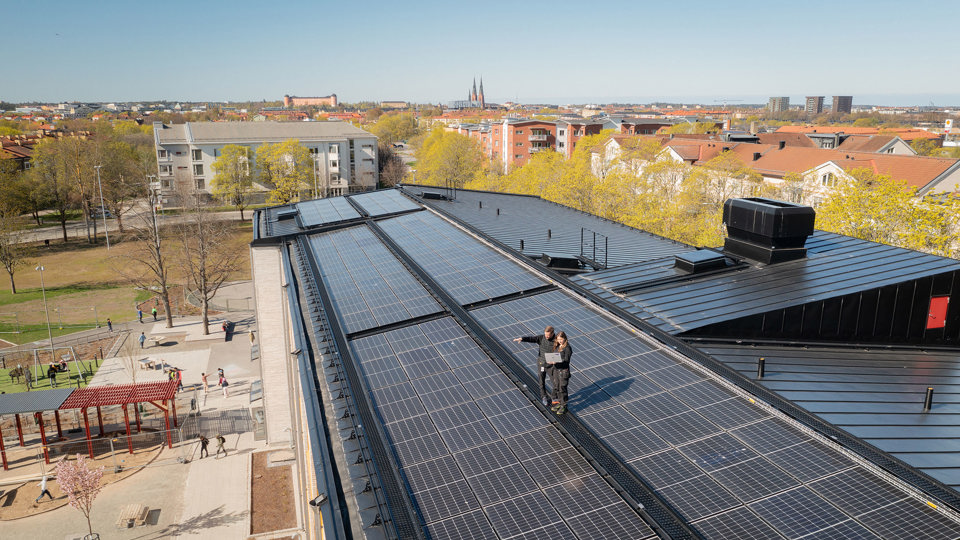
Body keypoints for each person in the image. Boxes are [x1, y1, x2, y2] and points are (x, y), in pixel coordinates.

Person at [513, 326, 557, 406]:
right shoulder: (541, 338)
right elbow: (532, 339)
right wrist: (522, 339)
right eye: (545, 335)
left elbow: (562, 352)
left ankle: (554, 397)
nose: (546, 336)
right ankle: (544, 397)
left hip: (551, 365)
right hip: (542, 363)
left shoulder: (557, 340)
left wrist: (555, 360)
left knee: (555, 382)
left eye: (548, 335)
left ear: (552, 334)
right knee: (541, 380)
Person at [550, 332, 573, 415]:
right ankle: (560, 402)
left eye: (561, 339)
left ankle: (564, 405)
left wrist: (557, 361)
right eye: (558, 339)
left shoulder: (567, 348)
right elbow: (554, 355)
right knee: (557, 387)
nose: (560, 341)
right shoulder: (557, 346)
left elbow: (566, 360)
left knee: (562, 388)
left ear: (565, 338)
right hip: (556, 370)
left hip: (563, 371)